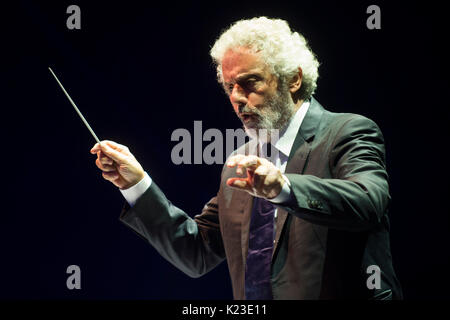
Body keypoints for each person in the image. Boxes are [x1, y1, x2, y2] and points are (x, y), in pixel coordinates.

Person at [90, 17, 402, 299]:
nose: (237, 98)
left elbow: (368, 201)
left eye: (250, 82)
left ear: (293, 79)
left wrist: (283, 188)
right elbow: (196, 252)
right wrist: (138, 186)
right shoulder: (240, 164)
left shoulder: (346, 132)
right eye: (229, 87)